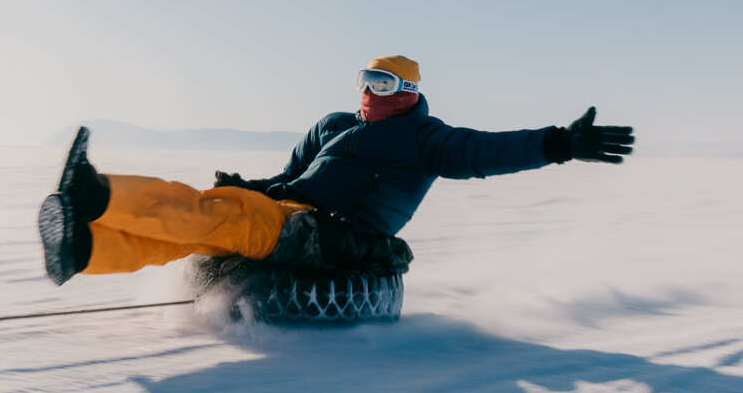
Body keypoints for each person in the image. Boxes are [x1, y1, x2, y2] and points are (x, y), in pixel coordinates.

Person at [38, 54, 634, 286]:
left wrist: (560, 143)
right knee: (210, 219)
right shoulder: (331, 125)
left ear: (408, 91)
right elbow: (290, 180)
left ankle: (95, 194)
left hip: (340, 237)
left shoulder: (425, 137)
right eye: (365, 81)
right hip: (293, 214)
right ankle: (86, 249)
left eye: (384, 84)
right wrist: (255, 188)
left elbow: (486, 153)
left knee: (226, 219)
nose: (371, 92)